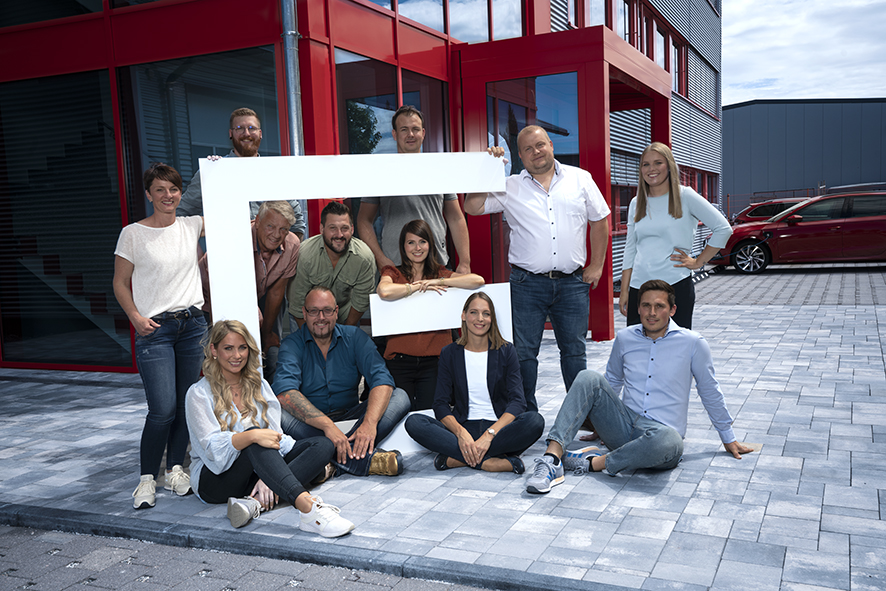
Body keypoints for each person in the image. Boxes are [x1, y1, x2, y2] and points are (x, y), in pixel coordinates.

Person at [525, 279, 753, 494]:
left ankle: (592, 463)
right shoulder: (625, 337)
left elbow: (709, 390)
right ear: (639, 309)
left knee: (670, 440)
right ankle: (552, 459)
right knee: (587, 377)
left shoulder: (693, 343)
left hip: (661, 437)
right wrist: (600, 424)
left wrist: (727, 437)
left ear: (672, 310)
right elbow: (612, 381)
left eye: (659, 306)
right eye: (646, 306)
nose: (652, 312)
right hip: (624, 426)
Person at [465, 125, 611, 413]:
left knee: (574, 352)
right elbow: (472, 206)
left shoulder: (580, 178)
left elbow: (600, 220)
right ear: (520, 155)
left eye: (540, 145)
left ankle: (580, 415)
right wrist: (488, 170)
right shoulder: (510, 186)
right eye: (528, 149)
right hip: (527, 284)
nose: (536, 152)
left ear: (551, 145)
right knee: (524, 354)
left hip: (572, 283)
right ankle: (524, 416)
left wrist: (596, 265)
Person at [186, 320, 355, 537]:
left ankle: (255, 501)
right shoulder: (198, 394)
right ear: (214, 350)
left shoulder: (259, 386)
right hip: (215, 480)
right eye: (228, 348)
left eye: (242, 347)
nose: (237, 355)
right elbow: (211, 450)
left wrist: (269, 475)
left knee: (322, 445)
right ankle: (308, 508)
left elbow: (276, 438)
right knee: (253, 439)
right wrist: (252, 436)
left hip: (255, 473)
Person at [113, 163, 207, 510]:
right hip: (155, 330)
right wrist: (135, 317)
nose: (168, 196)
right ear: (149, 194)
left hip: (193, 326)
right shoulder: (132, 234)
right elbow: (119, 283)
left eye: (174, 189)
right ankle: (147, 478)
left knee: (185, 404)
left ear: (181, 193)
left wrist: (217, 166)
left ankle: (176, 469)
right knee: (162, 409)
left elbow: (232, 210)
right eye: (160, 190)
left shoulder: (191, 225)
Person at [274, 286, 410, 477]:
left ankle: (329, 460)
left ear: (336, 312)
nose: (321, 317)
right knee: (276, 411)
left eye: (327, 310)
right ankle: (362, 460)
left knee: (400, 396)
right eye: (314, 311)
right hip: (312, 426)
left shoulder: (355, 337)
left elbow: (382, 379)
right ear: (304, 313)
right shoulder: (291, 344)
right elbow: (285, 393)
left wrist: (369, 423)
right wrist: (327, 426)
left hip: (351, 418)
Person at [405, 292, 544, 473]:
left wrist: (489, 435)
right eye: (474, 312)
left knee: (535, 421)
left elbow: (518, 402)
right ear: (464, 315)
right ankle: (489, 462)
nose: (480, 319)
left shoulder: (506, 350)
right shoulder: (450, 353)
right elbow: (440, 404)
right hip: (464, 426)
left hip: (498, 429)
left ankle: (455, 460)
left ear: (492, 319)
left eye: (486, 313)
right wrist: (460, 433)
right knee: (414, 422)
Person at [619, 142, 732, 329]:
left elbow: (723, 228)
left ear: (669, 166)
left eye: (658, 163)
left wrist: (698, 262)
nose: (651, 169)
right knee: (638, 345)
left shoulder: (685, 196)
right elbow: (630, 249)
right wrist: (625, 291)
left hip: (675, 285)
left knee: (676, 345)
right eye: (646, 164)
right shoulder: (635, 203)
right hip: (639, 288)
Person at [376, 219, 485, 410]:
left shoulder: (439, 273)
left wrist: (439, 282)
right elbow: (384, 291)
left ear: (430, 245)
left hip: (434, 363)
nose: (417, 248)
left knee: (429, 415)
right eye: (411, 242)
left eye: (422, 242)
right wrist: (414, 287)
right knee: (397, 415)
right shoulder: (393, 272)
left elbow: (477, 280)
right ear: (403, 246)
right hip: (399, 362)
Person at [356, 105, 472, 273]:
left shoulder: (440, 170)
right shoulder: (381, 172)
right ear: (394, 134)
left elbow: (456, 218)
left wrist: (465, 262)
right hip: (396, 265)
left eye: (415, 129)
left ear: (423, 133)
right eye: (404, 129)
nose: (410, 134)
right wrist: (381, 260)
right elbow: (364, 220)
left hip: (437, 261)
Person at [200, 201, 299, 379]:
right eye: (271, 226)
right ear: (258, 221)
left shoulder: (292, 244)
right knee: (226, 354)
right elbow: (225, 291)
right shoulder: (236, 237)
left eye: (283, 229)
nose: (277, 235)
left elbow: (276, 292)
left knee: (268, 351)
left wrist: (267, 334)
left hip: (257, 294)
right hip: (212, 299)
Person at [177, 107, 306, 239]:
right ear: (231, 133)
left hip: (268, 251)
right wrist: (197, 247)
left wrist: (286, 250)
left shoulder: (274, 173)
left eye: (251, 128)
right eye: (239, 128)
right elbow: (180, 217)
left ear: (260, 133)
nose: (246, 133)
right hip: (228, 250)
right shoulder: (213, 171)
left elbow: (297, 224)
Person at [288, 201, 376, 328]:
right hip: (307, 316)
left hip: (345, 316)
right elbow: (297, 304)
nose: (339, 235)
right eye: (332, 228)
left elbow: (361, 302)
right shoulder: (305, 255)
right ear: (322, 229)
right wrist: (310, 337)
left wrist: (345, 333)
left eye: (344, 228)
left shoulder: (364, 258)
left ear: (352, 229)